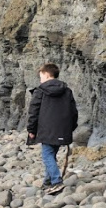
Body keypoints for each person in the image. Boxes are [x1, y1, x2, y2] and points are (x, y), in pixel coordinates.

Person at [27, 63, 78, 195]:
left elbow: (34, 112)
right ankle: (47, 182)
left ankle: (56, 181)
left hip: (46, 129)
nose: (40, 80)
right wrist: (71, 128)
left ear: (46, 75)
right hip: (62, 129)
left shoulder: (41, 91)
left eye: (41, 77)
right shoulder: (67, 90)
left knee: (47, 155)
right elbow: (73, 112)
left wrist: (31, 130)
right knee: (51, 154)